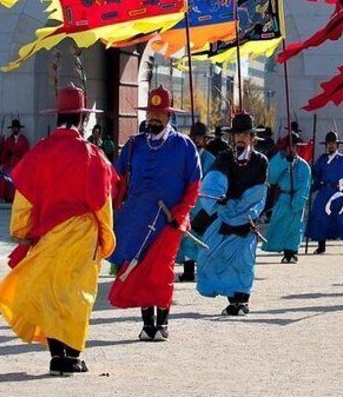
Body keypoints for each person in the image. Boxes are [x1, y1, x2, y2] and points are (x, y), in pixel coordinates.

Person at [0, 85, 117, 376]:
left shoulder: (40, 151)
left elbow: (24, 198)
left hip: (48, 232)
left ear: (57, 115)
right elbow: (103, 201)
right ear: (83, 120)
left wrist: (22, 230)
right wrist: (107, 236)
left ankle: (57, 355)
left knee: (50, 292)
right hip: (82, 233)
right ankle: (73, 355)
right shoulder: (92, 154)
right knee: (77, 292)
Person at [108, 86, 201, 341]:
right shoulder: (134, 145)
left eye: (159, 114)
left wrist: (180, 214)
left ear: (169, 116)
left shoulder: (185, 146)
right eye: (150, 113)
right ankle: (147, 324)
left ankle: (163, 323)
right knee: (137, 269)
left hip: (169, 219)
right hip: (138, 218)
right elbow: (116, 178)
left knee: (161, 270)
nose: (153, 118)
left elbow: (194, 185)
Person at [195, 112, 269, 316]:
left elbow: (260, 192)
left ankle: (242, 300)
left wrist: (248, 212)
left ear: (253, 138)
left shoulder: (260, 161)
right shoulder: (224, 158)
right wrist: (219, 199)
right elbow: (212, 183)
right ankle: (231, 299)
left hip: (247, 215)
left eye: (245, 135)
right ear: (231, 137)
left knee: (244, 259)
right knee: (211, 254)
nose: (241, 138)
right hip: (225, 214)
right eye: (237, 134)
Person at [176, 121, 218, 283]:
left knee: (202, 237)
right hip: (188, 201)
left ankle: (203, 269)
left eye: (200, 137)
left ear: (205, 139)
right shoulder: (185, 157)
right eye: (195, 137)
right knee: (186, 237)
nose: (197, 140)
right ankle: (188, 271)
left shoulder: (211, 159)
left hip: (203, 203)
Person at [262, 133, 311, 263]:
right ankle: (282, 248)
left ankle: (291, 252)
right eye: (290, 146)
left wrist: (299, 200)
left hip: (297, 197)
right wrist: (283, 163)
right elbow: (271, 177)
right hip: (283, 196)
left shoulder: (303, 165)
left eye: (295, 146)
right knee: (280, 223)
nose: (292, 149)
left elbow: (305, 184)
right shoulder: (281, 160)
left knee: (295, 226)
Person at [306, 131, 343, 255]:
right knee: (320, 217)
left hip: (339, 192)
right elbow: (316, 178)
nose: (331, 146)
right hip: (324, 191)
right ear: (326, 145)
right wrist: (309, 188)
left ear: (337, 145)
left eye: (333, 143)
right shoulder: (321, 160)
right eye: (329, 143)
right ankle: (321, 246)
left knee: (342, 218)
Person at [0, 118, 30, 203]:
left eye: (16, 128)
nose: (15, 129)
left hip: (19, 163)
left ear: (19, 129)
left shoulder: (23, 140)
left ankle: (15, 197)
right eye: (13, 128)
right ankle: (6, 196)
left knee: (16, 179)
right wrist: (0, 151)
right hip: (9, 163)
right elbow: (4, 154)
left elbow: (26, 154)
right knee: (5, 178)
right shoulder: (9, 140)